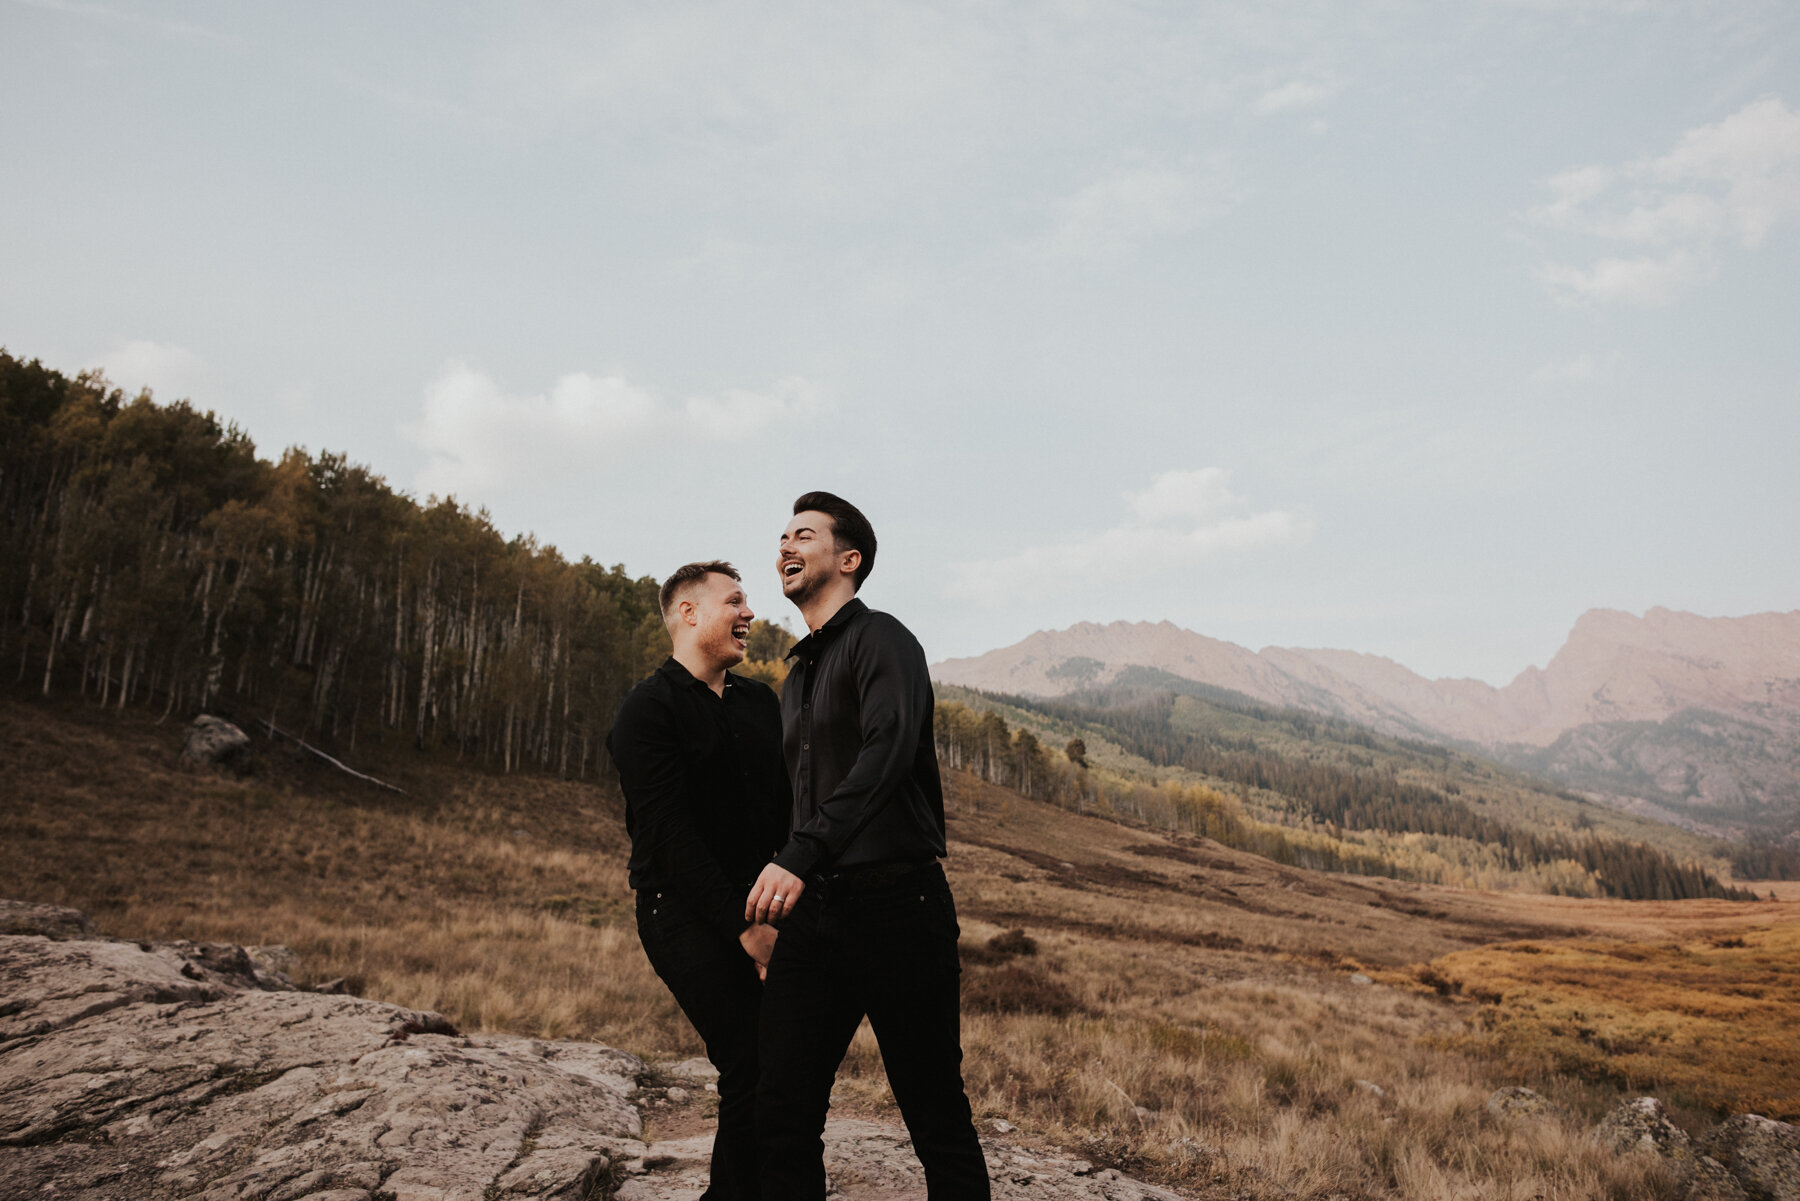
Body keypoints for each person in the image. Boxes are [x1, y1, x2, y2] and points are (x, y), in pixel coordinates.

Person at [745, 492, 990, 1199]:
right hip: (812, 919)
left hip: (897, 907)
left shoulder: (883, 639)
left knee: (934, 1112)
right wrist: (767, 915)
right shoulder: (796, 678)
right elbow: (797, 801)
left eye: (805, 535)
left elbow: (884, 755)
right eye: (783, 535)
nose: (786, 545)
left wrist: (801, 852)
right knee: (782, 1106)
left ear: (848, 560)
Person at [607, 561, 790, 1201]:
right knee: (749, 1059)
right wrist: (745, 928)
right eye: (735, 601)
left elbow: (789, 811)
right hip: (680, 912)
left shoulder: (761, 704)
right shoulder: (647, 710)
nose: (749, 614)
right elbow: (670, 838)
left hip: (766, 908)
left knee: (783, 1067)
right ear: (688, 613)